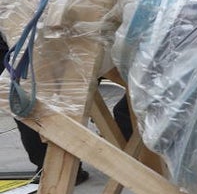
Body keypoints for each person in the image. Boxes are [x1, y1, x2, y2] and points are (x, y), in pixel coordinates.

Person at [1, 32, 131, 184]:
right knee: (31, 99)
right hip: (54, 45)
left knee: (30, 99)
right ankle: (53, 167)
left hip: (48, 45)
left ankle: (51, 167)